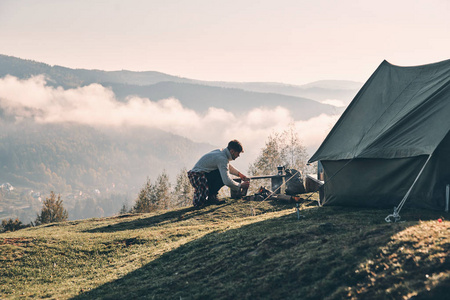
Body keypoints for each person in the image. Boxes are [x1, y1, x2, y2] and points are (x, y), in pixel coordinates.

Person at [188, 140, 250, 207]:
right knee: (222, 175)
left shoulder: (221, 152)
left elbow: (226, 166)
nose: (238, 156)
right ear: (232, 151)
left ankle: (211, 197)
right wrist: (240, 186)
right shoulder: (222, 158)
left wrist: (239, 174)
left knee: (221, 173)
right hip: (198, 177)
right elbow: (226, 181)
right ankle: (211, 197)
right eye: (238, 153)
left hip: (197, 175)